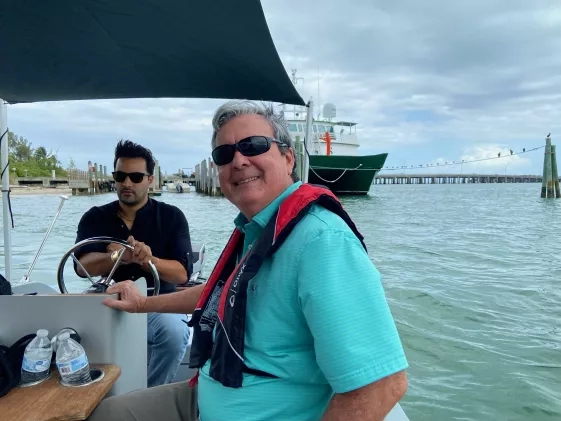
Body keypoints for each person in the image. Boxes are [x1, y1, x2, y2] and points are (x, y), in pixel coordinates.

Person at [88, 101, 408, 421]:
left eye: (253, 145)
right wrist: (142, 304)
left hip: (259, 409)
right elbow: (220, 293)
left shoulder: (321, 241)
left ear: (287, 157)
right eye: (224, 154)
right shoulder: (257, 230)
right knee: (101, 414)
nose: (239, 160)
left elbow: (380, 386)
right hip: (209, 394)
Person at [74, 140, 193, 388]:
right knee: (71, 338)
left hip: (156, 301)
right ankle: (97, 396)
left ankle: (146, 396)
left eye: (136, 177)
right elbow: (80, 266)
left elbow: (182, 275)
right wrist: (116, 258)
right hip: (105, 302)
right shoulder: (95, 217)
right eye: (121, 176)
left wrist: (150, 261)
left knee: (174, 334)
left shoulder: (172, 217)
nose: (127, 183)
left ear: (150, 180)